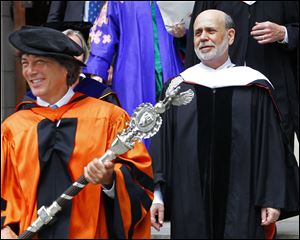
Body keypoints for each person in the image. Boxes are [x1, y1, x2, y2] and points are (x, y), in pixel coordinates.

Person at [149, 10, 299, 239]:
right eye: (197, 32)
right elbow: (163, 149)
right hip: (190, 204)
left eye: (210, 30)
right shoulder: (177, 88)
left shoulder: (253, 85)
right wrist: (158, 195)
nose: (203, 37)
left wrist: (271, 198)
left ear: (230, 36)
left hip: (243, 204)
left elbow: (270, 147)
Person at [1, 26, 154, 239]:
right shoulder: (13, 128)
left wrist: (110, 180)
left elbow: (141, 183)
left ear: (66, 68)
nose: (29, 71)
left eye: (40, 62)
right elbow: (4, 195)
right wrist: (3, 228)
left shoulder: (109, 118)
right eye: (25, 63)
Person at [185, 1, 299, 151]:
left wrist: (284, 33)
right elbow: (198, 35)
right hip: (219, 88)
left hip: (275, 88)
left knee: (275, 151)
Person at [83, 1, 184, 116]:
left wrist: (184, 34)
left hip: (172, 67)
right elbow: (105, 32)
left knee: (174, 120)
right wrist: (97, 70)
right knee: (136, 121)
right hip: (133, 71)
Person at [24, 28, 120, 106]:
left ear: (84, 56)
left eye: (76, 52)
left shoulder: (100, 93)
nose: (71, 58)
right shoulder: (32, 99)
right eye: (65, 52)